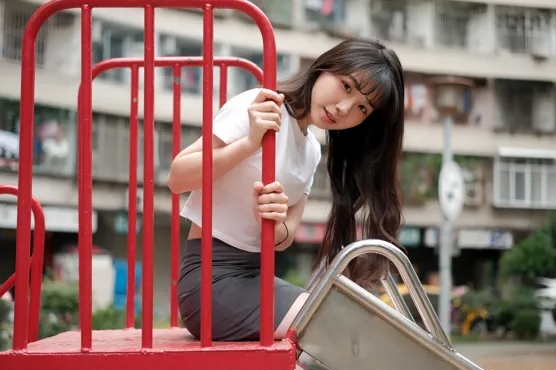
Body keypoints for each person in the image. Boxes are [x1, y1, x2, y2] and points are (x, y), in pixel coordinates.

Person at [167, 37, 406, 342]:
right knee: (336, 329)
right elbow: (177, 178)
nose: (345, 108)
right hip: (209, 282)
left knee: (353, 321)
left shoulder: (311, 150)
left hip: (256, 277)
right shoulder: (259, 106)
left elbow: (285, 236)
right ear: (324, 67)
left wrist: (271, 219)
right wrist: (250, 144)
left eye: (362, 108)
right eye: (347, 86)